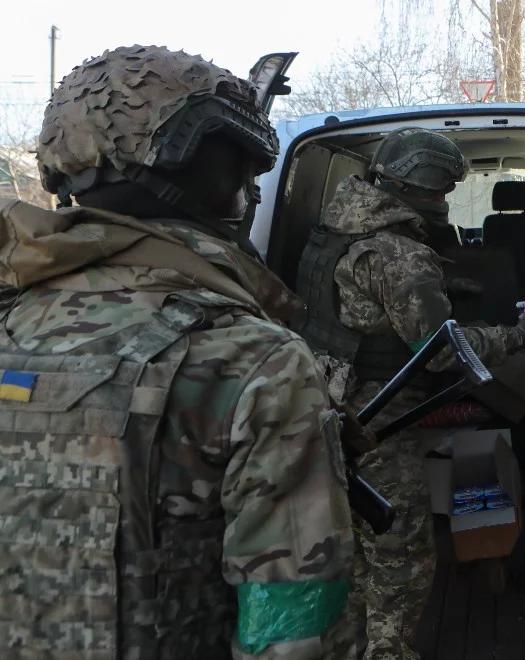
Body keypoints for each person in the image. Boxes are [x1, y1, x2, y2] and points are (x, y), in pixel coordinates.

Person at [0, 45, 355, 658]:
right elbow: (293, 633)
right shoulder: (256, 360)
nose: (249, 198)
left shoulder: (13, 318)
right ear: (201, 179)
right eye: (242, 180)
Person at [293, 127, 525, 659]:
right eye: (443, 191)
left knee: (356, 545)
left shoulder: (333, 230)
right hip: (378, 421)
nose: (446, 201)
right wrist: (516, 334)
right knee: (400, 553)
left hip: (326, 405)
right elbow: (439, 351)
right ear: (423, 189)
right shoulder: (399, 255)